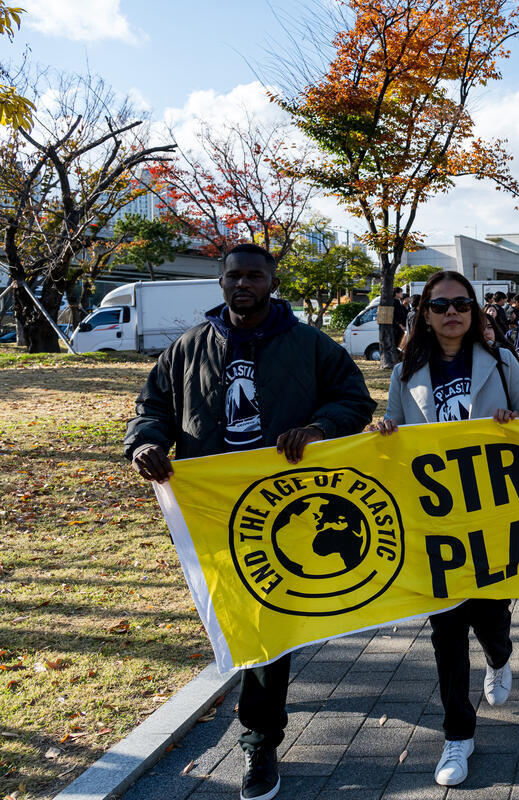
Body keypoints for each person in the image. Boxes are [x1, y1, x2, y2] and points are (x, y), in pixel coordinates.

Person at [125, 243, 376, 800]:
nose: (244, 284)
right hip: (213, 507)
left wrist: (317, 428)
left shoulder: (310, 344)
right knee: (238, 613)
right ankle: (262, 713)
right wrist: (144, 444)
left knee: (265, 623)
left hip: (284, 505)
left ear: (271, 282)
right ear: (220, 283)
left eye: (255, 276)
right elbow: (152, 410)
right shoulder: (189, 348)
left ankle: (258, 743)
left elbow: (355, 401)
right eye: (234, 275)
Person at [374, 271, 519, 786]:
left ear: (474, 312)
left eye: (462, 304)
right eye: (440, 304)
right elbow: (395, 439)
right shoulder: (406, 372)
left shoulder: (501, 361)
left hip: (492, 517)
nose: (452, 312)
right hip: (434, 523)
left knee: (491, 619)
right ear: (424, 313)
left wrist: (517, 424)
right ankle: (457, 736)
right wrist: (381, 433)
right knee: (446, 630)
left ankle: (500, 656)